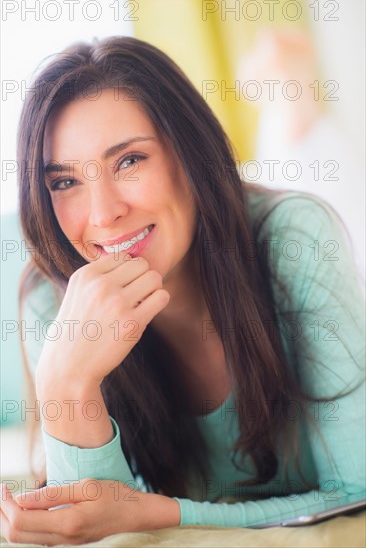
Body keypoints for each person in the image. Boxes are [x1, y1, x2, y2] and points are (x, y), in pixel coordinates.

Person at [1, 36, 364, 545]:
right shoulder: (51, 302)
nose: (103, 215)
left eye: (128, 161)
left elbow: (356, 490)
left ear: (189, 154)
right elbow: (98, 525)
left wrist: (159, 514)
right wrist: (66, 384)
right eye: (64, 182)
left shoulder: (294, 239)